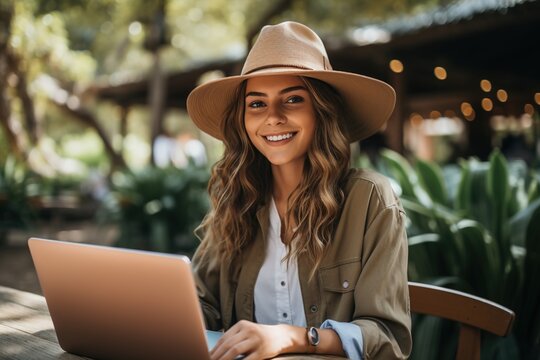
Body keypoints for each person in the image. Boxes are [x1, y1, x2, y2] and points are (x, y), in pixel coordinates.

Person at [186, 21, 411, 360]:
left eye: (292, 99)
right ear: (243, 121)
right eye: (257, 104)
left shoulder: (370, 200)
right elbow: (203, 305)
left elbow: (388, 338)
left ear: (322, 111)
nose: (272, 117)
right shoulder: (239, 200)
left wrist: (294, 338)